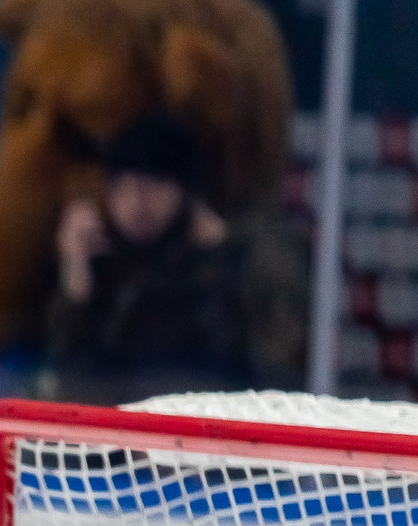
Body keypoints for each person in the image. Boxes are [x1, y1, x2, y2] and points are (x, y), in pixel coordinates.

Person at [45, 110, 260, 400]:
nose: (135, 204)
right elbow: (71, 373)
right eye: (121, 189)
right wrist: (76, 273)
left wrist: (217, 253)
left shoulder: (230, 265)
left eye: (151, 186)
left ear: (184, 191)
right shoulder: (104, 260)